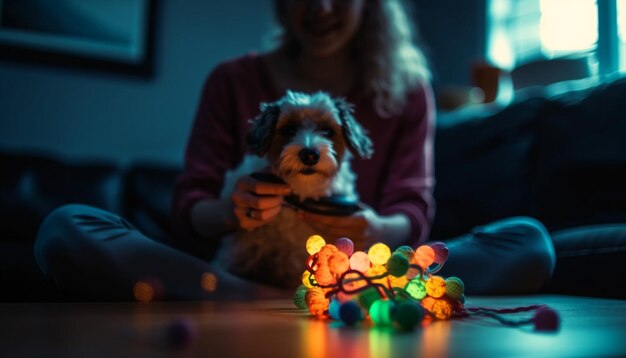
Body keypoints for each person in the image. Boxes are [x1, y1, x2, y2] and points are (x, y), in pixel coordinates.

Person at [35, 0, 555, 301]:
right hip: (235, 271)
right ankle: (262, 302)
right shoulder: (232, 80)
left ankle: (296, 300)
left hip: (363, 269)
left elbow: (413, 211)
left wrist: (374, 230)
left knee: (528, 241)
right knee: (66, 228)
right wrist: (231, 210)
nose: (321, 7)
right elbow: (188, 206)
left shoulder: (408, 89)